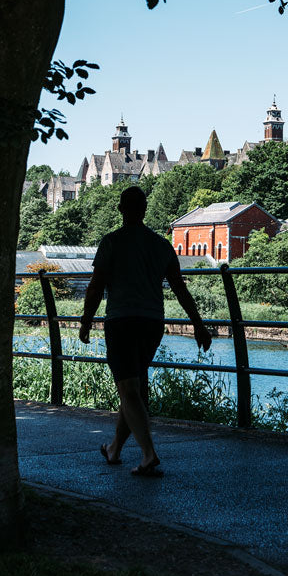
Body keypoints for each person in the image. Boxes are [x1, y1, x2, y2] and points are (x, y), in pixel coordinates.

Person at [78, 184, 213, 477]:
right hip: (152, 323)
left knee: (128, 389)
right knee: (135, 389)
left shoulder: (111, 242)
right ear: (145, 209)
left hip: (121, 322)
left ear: (120, 209)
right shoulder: (161, 245)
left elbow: (96, 286)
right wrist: (198, 325)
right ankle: (114, 448)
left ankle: (149, 454)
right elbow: (180, 288)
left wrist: (86, 320)